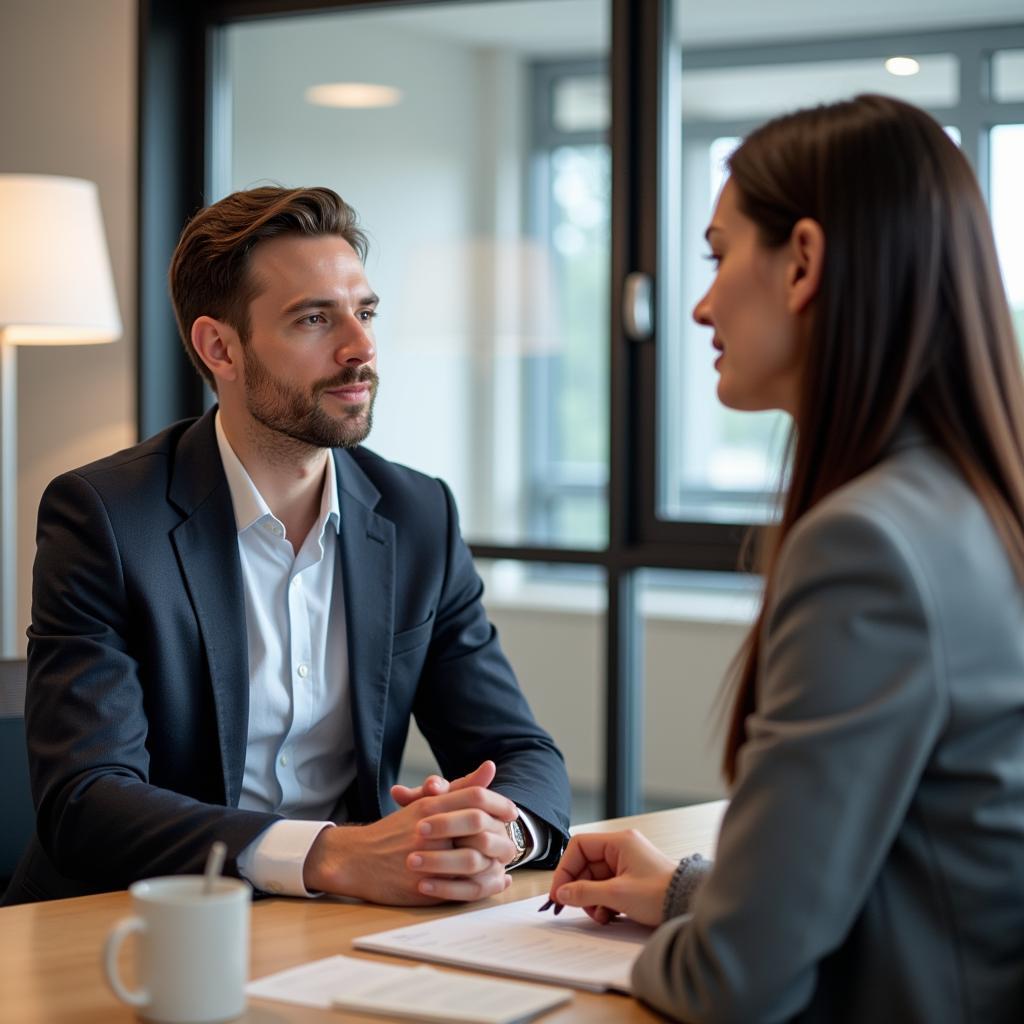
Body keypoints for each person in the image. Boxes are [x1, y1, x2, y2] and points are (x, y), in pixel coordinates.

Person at [548, 94, 1024, 1022]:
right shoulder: (977, 510)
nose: (699, 303)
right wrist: (693, 892)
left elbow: (731, 984)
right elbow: (926, 876)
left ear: (803, 261)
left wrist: (657, 955)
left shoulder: (867, 546)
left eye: (719, 256)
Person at [4, 186, 570, 907]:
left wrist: (499, 832)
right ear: (220, 347)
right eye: (313, 319)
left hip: (348, 922)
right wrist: (332, 855)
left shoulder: (418, 513)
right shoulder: (108, 518)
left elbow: (521, 754)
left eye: (364, 313)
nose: (360, 347)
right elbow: (86, 800)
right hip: (137, 926)